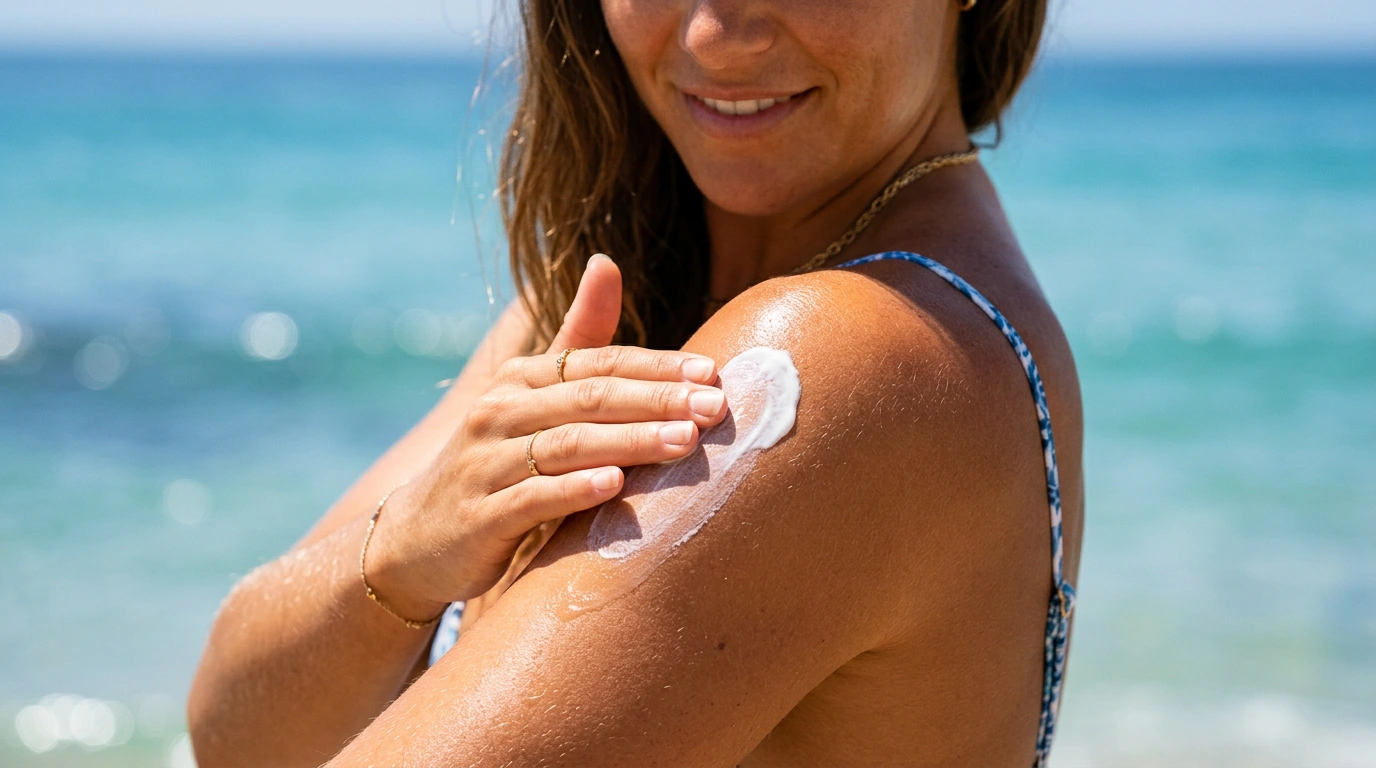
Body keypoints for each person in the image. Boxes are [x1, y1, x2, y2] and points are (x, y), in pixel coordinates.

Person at [188, 0, 1083, 765]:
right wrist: (401, 557)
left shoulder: (840, 353)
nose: (714, 33)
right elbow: (236, 732)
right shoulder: (637, 288)